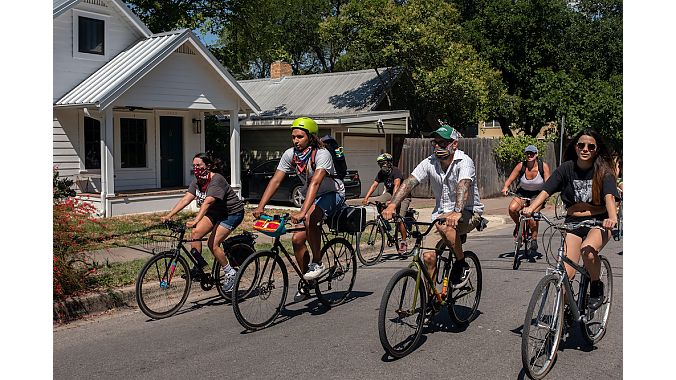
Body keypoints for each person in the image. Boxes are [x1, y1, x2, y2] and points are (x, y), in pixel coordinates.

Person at [522, 128, 619, 310]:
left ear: (596, 149)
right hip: (573, 222)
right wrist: (530, 208)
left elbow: (609, 197)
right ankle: (565, 314)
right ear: (575, 147)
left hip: (598, 222)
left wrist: (612, 218)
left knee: (588, 252)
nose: (585, 149)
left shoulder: (603, 171)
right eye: (581, 145)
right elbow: (546, 190)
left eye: (591, 146)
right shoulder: (566, 168)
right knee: (566, 274)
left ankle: (596, 285)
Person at [252, 117, 345, 301]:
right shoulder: (290, 154)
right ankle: (307, 281)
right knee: (296, 240)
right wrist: (260, 206)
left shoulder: (321, 154)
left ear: (310, 137)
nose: (295, 140)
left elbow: (316, 183)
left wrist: (303, 211)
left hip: (332, 193)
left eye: (300, 137)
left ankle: (317, 262)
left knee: (310, 217)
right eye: (293, 136)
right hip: (312, 196)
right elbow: (276, 180)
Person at [382, 123, 484, 285]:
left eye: (442, 143)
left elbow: (463, 185)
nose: (437, 146)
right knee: (428, 257)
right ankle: (432, 301)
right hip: (440, 218)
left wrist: (457, 211)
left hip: (469, 212)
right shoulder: (429, 162)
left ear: (454, 144)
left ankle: (461, 263)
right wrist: (393, 205)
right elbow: (409, 182)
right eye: (435, 143)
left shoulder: (464, 161)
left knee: (446, 225)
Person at [161, 153, 245, 292]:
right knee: (195, 233)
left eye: (199, 165)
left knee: (213, 243)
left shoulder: (216, 180)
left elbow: (207, 203)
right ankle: (199, 267)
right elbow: (185, 199)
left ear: (208, 166)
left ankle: (230, 273)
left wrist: (195, 220)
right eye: (194, 166)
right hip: (216, 212)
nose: (196, 168)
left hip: (232, 213)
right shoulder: (197, 181)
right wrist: (169, 215)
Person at [500, 145, 551, 260]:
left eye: (532, 153)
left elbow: (549, 183)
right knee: (512, 208)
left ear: (536, 154)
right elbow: (510, 179)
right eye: (527, 153)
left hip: (537, 195)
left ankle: (533, 239)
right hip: (522, 193)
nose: (529, 155)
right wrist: (506, 187)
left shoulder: (543, 167)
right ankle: (519, 226)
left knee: (532, 216)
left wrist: (547, 196)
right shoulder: (521, 166)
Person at [362, 153, 412, 253]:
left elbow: (397, 186)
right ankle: (388, 228)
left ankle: (403, 242)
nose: (382, 166)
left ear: (389, 163)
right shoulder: (381, 173)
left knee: (399, 218)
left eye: (383, 163)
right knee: (378, 202)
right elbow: (374, 185)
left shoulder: (396, 171)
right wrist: (366, 198)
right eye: (380, 164)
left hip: (403, 195)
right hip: (390, 193)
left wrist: (393, 202)